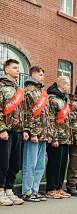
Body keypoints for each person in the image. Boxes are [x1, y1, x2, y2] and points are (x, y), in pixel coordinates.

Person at [0, 59, 27, 206]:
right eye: (14, 67)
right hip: (6, 131)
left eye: (18, 67)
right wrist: (2, 129)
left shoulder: (18, 88)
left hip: (17, 130)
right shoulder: (1, 86)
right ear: (6, 70)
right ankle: (1, 190)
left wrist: (24, 129)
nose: (18, 70)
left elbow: (22, 111)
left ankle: (9, 189)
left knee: (15, 163)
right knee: (3, 162)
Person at [22, 65, 50, 202]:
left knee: (40, 165)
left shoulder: (42, 93)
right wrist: (31, 132)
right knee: (30, 164)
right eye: (40, 75)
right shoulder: (29, 91)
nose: (42, 77)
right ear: (33, 75)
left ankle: (35, 190)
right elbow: (28, 113)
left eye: (43, 75)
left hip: (43, 133)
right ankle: (27, 191)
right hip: (34, 134)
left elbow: (46, 115)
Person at [46, 76, 71, 199]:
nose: (69, 87)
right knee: (54, 163)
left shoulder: (64, 99)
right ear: (61, 85)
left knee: (62, 164)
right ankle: (51, 188)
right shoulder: (52, 98)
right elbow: (50, 119)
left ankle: (59, 187)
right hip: (56, 137)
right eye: (68, 84)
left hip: (65, 137)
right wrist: (54, 137)